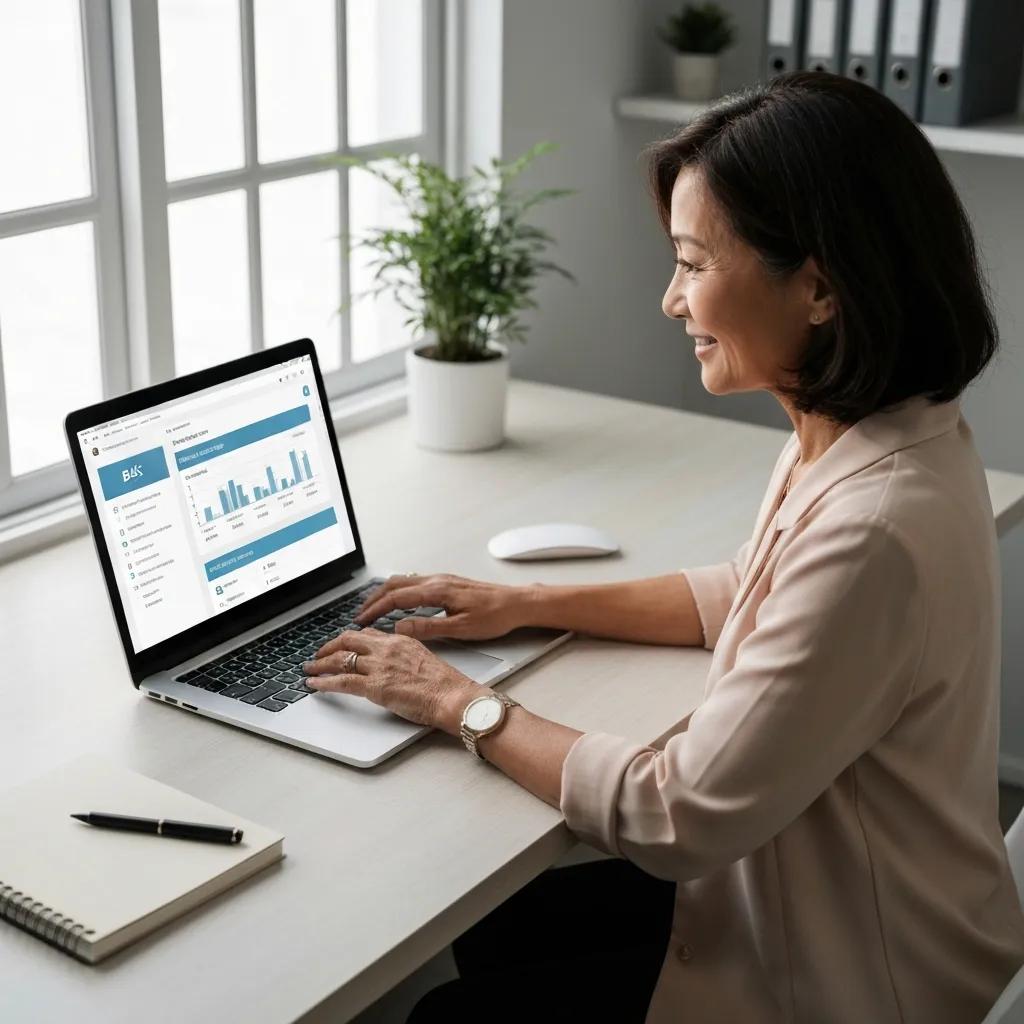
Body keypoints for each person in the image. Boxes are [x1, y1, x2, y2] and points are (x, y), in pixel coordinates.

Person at [302, 71, 1024, 1023]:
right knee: (492, 925)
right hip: (829, 892)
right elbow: (746, 593)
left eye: (691, 263)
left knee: (439, 1010)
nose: (670, 302)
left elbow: (674, 814)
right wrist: (521, 602)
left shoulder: (873, 525)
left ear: (816, 285)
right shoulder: (873, 432)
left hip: (851, 979)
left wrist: (457, 703)